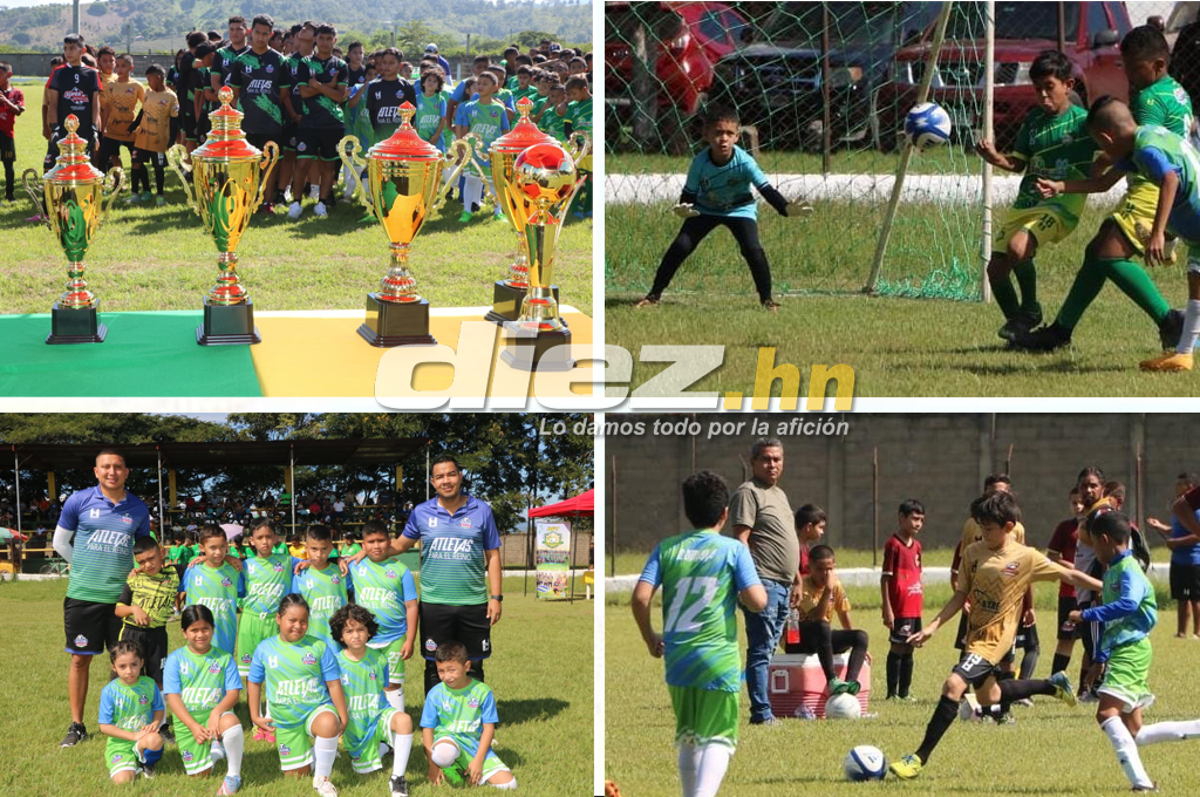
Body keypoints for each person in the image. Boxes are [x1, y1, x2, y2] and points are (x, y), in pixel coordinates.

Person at [888, 490, 1102, 780]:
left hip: (996, 639)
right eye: (980, 526)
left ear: (1009, 527)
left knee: (953, 685)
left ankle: (917, 758)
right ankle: (1052, 686)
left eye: (988, 528)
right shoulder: (973, 552)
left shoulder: (1025, 557)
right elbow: (960, 594)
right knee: (991, 697)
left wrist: (1106, 586)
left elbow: (1070, 575)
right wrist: (932, 626)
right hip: (974, 635)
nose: (982, 533)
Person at [1014, 26, 1191, 355]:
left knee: (1108, 253)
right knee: (1096, 252)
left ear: (1158, 65)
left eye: (1134, 68)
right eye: (1125, 67)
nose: (1130, 77)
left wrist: (1107, 158)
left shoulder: (1148, 100)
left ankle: (1169, 320)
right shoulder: (1177, 92)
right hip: (1154, 185)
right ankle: (1060, 332)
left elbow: (1133, 141)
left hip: (1152, 189)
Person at [631, 470, 765, 797]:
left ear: (687, 512)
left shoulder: (667, 548)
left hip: (678, 659)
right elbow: (758, 601)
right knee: (718, 736)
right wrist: (742, 593)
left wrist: (650, 637)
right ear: (724, 514)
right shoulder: (733, 550)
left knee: (689, 736)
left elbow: (640, 597)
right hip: (717, 658)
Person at [347, 454, 502, 696]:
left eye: (451, 474)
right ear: (432, 482)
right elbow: (398, 546)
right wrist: (365, 551)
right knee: (434, 665)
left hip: (473, 602)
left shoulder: (481, 510)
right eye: (440, 476)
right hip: (433, 603)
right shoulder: (421, 512)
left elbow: (492, 555)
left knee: (473, 664)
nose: (446, 480)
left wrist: (496, 597)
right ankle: (436, 720)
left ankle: (474, 720)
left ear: (460, 476)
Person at [1071, 509, 1200, 791]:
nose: (1092, 549)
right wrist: (1100, 658)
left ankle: (1141, 784)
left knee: (1105, 714)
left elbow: (1128, 605)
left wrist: (1088, 615)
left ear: (1104, 539)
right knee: (1135, 732)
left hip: (1131, 651)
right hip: (1122, 650)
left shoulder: (1129, 570)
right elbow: (1115, 622)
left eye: (1092, 543)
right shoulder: (1113, 571)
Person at [973, 50, 1098, 340]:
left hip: (1060, 203)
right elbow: (1018, 164)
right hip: (1027, 202)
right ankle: (1018, 327)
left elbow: (1107, 151)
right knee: (995, 270)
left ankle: (1030, 310)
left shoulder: (1083, 124)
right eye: (1037, 89)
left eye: (1049, 88)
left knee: (1018, 249)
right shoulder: (1033, 121)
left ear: (1068, 85)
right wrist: (995, 157)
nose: (1042, 96)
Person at [635, 105, 810, 310]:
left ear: (737, 137)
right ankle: (653, 296)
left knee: (752, 249)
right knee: (681, 246)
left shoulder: (745, 162)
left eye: (729, 133)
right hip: (706, 209)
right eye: (718, 133)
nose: (723, 138)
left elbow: (766, 189)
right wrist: (684, 207)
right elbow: (689, 193)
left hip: (739, 209)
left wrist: (785, 208)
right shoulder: (699, 162)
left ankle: (767, 300)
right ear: (706, 135)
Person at [54, 448, 152, 749]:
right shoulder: (78, 501)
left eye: (118, 467)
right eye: (106, 467)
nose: (112, 472)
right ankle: (78, 725)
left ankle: (122, 721)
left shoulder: (138, 508)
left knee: (125, 661)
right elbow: (60, 542)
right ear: (96, 471)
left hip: (122, 600)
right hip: (83, 597)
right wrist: (81, 566)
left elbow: (146, 551)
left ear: (126, 472)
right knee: (80, 660)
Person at [248, 594, 347, 796]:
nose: (298, 626)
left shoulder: (319, 647)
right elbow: (254, 682)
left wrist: (342, 716)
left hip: (315, 710)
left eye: (303, 621)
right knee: (296, 775)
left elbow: (333, 684)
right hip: (285, 720)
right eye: (292, 620)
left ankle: (322, 780)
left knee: (329, 722)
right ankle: (321, 752)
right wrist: (255, 716)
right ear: (278, 619)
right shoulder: (265, 648)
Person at [728, 437, 794, 726]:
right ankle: (762, 713)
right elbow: (741, 540)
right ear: (754, 462)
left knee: (769, 649)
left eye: (777, 459)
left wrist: (798, 579)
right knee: (760, 648)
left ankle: (767, 708)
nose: (772, 464)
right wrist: (748, 582)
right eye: (766, 459)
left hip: (784, 583)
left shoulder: (779, 494)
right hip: (762, 582)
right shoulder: (748, 492)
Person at [330, 603, 415, 796]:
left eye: (361, 629)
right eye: (349, 631)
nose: (356, 635)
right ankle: (384, 746)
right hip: (354, 722)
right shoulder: (335, 662)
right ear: (341, 636)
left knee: (404, 720)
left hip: (378, 714)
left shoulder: (380, 659)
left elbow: (383, 689)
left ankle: (398, 779)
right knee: (363, 769)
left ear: (369, 632)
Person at [162, 605, 245, 794]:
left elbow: (233, 694)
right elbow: (173, 698)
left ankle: (233, 775)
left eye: (205, 629)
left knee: (230, 721)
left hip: (216, 718)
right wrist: (192, 726)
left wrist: (216, 712)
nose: (200, 634)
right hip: (188, 723)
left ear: (213, 630)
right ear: (184, 632)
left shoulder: (224, 657)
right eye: (194, 630)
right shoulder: (175, 659)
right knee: (201, 775)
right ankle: (218, 750)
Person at [421, 641, 516, 789]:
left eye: (451, 670)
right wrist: (432, 765)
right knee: (444, 754)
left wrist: (478, 760)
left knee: (509, 784)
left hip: (473, 744)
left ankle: (463, 767)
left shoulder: (482, 691)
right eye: (441, 671)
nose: (446, 676)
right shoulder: (435, 693)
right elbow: (427, 729)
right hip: (447, 740)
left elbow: (488, 728)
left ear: (467, 666)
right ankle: (447, 764)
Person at [346, 520, 417, 712]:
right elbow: (330, 567)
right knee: (364, 683)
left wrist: (410, 639)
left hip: (394, 637)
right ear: (363, 545)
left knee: (392, 684)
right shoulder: (355, 567)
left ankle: (396, 729)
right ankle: (368, 724)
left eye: (380, 541)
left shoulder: (401, 570)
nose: (376, 546)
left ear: (389, 541)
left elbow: (411, 606)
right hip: (364, 638)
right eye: (370, 542)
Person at [236, 518, 296, 742]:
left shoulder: (287, 561)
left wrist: (337, 558)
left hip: (275, 622)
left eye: (269, 537)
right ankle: (256, 720)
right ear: (251, 540)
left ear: (276, 538)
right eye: (259, 538)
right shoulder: (244, 566)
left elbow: (314, 560)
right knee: (253, 675)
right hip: (250, 623)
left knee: (274, 671)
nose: (265, 541)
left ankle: (271, 720)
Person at [115, 537, 180, 742]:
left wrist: (231, 556)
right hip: (132, 634)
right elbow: (118, 609)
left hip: (158, 635)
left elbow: (206, 561)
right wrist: (134, 609)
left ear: (162, 552)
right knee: (128, 678)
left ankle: (161, 726)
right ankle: (124, 723)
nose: (147, 565)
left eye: (151, 558)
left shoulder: (175, 573)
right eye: (141, 562)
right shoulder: (134, 579)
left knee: (159, 681)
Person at [287, 23, 348, 220]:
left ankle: (321, 203)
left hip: (332, 123)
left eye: (329, 39)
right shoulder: (305, 62)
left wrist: (319, 85)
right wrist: (329, 86)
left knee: (328, 166)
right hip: (309, 123)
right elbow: (304, 92)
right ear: (316, 39)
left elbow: (340, 96)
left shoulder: (341, 66)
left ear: (335, 41)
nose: (324, 42)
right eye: (321, 38)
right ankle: (296, 203)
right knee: (302, 163)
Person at [793, 545, 870, 696]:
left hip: (823, 639)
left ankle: (849, 684)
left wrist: (858, 645)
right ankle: (832, 680)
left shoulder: (836, 585)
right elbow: (817, 616)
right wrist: (828, 590)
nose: (825, 574)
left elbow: (843, 613)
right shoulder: (804, 586)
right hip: (798, 640)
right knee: (822, 625)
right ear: (810, 568)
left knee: (861, 636)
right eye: (820, 569)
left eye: (829, 569)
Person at [230, 13, 287, 215]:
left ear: (270, 35)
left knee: (269, 165)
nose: (260, 37)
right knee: (248, 165)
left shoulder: (279, 61)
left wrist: (268, 107)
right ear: (250, 32)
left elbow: (283, 93)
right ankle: (247, 201)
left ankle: (266, 202)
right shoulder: (240, 60)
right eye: (257, 33)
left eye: (265, 34)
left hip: (272, 122)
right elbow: (235, 93)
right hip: (247, 123)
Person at [98, 640, 165, 783]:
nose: (129, 671)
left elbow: (159, 709)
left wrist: (155, 723)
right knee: (123, 782)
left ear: (141, 662)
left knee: (155, 740)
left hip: (143, 738)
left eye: (134, 664)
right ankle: (131, 763)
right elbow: (104, 726)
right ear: (114, 667)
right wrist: (133, 736)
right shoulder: (109, 691)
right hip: (120, 744)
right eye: (122, 666)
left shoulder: (149, 684)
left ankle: (146, 764)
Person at [179, 523, 246, 658]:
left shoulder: (234, 570)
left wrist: (229, 557)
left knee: (222, 673)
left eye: (222, 547)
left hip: (225, 636)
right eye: (213, 548)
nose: (218, 552)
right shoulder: (192, 570)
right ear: (201, 548)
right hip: (198, 637)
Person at [1148, 471, 1200, 637]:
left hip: (1194, 560)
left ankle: (1197, 632)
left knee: (1195, 598)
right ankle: (1181, 632)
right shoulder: (1179, 509)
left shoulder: (1195, 509)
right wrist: (1160, 527)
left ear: (1190, 487)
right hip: (1178, 560)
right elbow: (1176, 531)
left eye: (1180, 484)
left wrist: (1176, 543)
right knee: (1181, 598)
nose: (1176, 487)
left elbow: (1196, 535)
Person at [882, 499, 925, 701]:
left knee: (910, 648)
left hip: (914, 607)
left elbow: (918, 574)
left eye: (921, 520)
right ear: (901, 518)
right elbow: (885, 578)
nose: (918, 524)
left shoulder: (917, 546)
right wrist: (887, 608)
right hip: (899, 608)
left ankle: (905, 693)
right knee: (897, 647)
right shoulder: (893, 545)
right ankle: (891, 693)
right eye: (914, 519)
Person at [456, 71, 510, 222]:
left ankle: (498, 212)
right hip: (473, 153)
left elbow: (505, 131)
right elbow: (465, 130)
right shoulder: (469, 107)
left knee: (494, 183)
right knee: (470, 180)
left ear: (495, 87)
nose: (480, 86)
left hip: (492, 153)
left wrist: (504, 150)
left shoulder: (499, 109)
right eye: (479, 83)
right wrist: (463, 148)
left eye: (485, 84)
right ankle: (466, 211)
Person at [1046, 486, 1086, 678]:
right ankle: (1055, 682)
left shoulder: (1097, 525)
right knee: (1066, 639)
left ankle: (1086, 688)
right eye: (1074, 502)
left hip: (1092, 594)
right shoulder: (1065, 528)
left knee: (1092, 642)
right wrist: (1071, 567)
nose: (1078, 506)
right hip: (1069, 593)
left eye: (1081, 502)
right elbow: (1051, 555)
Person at [291, 524, 353, 645]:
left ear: (331, 548)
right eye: (314, 549)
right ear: (306, 548)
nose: (319, 554)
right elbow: (295, 609)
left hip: (338, 640)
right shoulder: (299, 576)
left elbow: (355, 597)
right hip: (310, 640)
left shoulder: (341, 571)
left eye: (324, 549)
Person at [47, 33, 102, 166]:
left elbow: (95, 104)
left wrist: (95, 129)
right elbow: (53, 104)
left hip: (85, 130)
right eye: (65, 48)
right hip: (63, 131)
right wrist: (55, 128)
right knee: (62, 169)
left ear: (82, 50)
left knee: (84, 168)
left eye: (72, 48)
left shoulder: (92, 73)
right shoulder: (58, 72)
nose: (68, 52)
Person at [563, 75, 594, 219]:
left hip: (593, 151)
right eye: (569, 94)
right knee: (576, 177)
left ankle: (589, 208)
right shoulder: (571, 107)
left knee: (592, 179)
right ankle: (574, 208)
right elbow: (567, 129)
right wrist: (580, 145)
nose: (572, 97)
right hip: (578, 150)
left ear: (585, 89)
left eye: (574, 94)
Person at [0, 61, 24, 205]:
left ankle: (10, 194)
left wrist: (6, 102)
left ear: (9, 75)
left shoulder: (17, 93)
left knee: (8, 164)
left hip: (7, 134)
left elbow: (19, 111)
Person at [211, 16, 250, 96]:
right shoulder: (220, 53)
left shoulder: (252, 54)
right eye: (232, 29)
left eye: (239, 29)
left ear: (247, 32)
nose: (235, 33)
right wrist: (229, 98)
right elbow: (215, 82)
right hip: (226, 104)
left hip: (247, 104)